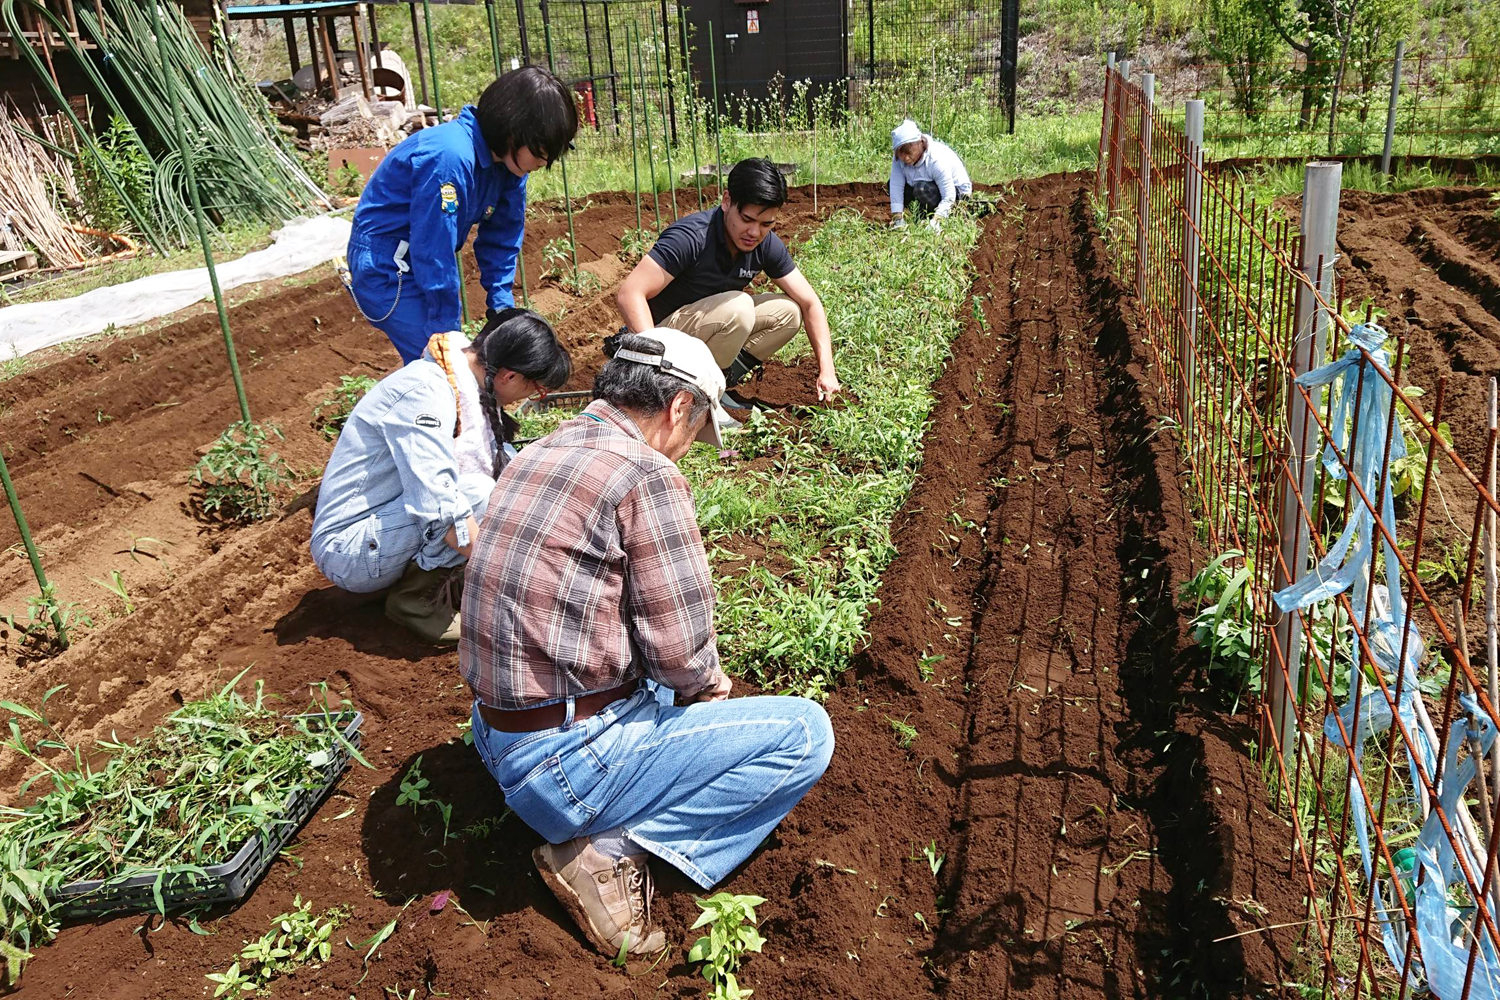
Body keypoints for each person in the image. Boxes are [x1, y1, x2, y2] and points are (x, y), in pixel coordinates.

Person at [461, 329, 835, 957]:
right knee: (803, 734)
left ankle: (600, 808)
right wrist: (711, 691)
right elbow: (682, 652)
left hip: (497, 735)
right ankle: (609, 851)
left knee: (659, 686)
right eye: (694, 433)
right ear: (679, 408)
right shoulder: (645, 472)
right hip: (565, 766)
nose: (687, 451)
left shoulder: (537, 452)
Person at [310, 309, 570, 643]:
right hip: (349, 549)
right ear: (509, 377)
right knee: (477, 493)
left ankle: (438, 574)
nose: (529, 399)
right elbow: (440, 507)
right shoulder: (425, 395)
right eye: (535, 389)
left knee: (506, 479)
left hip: (383, 525)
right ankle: (417, 602)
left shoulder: (459, 380)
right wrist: (519, 581)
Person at [344, 67, 578, 363]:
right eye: (541, 151)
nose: (544, 162)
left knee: (446, 364)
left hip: (419, 255)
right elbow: (433, 249)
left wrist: (501, 305)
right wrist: (446, 328)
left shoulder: (510, 166)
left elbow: (503, 237)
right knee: (441, 364)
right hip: (387, 264)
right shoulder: (450, 158)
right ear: (513, 130)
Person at [614, 158, 841, 411]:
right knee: (740, 307)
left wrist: (827, 370)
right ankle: (701, 396)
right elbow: (630, 293)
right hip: (663, 334)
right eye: (747, 219)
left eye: (767, 224)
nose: (754, 232)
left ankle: (714, 384)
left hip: (703, 328)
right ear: (726, 201)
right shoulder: (691, 237)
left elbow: (810, 302)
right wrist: (652, 360)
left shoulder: (765, 245)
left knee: (788, 312)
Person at [888, 118, 973, 229]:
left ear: (919, 143)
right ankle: (921, 217)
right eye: (901, 154)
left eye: (908, 152)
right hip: (930, 190)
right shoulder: (899, 160)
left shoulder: (935, 159)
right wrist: (898, 219)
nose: (905, 158)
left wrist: (937, 220)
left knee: (921, 188)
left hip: (957, 194)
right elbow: (896, 186)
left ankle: (940, 217)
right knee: (893, 184)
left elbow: (949, 194)